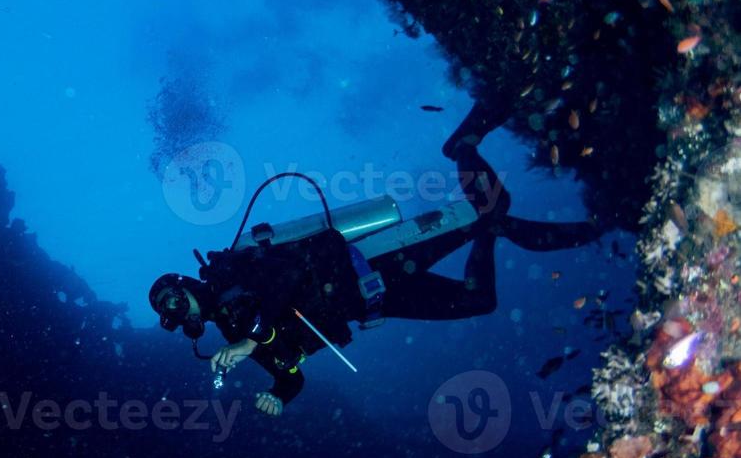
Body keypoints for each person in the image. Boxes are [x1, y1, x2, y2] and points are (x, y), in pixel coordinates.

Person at [150, 112, 599, 417]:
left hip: (377, 260)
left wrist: (251, 339)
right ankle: (495, 231)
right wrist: (278, 394)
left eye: (171, 298)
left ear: (183, 282)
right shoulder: (233, 331)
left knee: (491, 206)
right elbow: (289, 370)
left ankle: (463, 148)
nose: (175, 310)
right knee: (480, 299)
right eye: (167, 313)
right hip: (378, 301)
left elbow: (286, 276)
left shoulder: (231, 271)